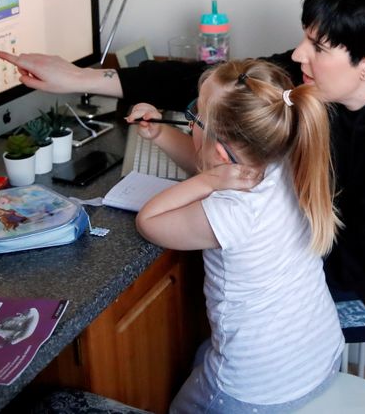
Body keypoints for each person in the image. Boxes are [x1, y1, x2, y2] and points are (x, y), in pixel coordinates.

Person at [0, 0, 365, 340]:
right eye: (306, 38)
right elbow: (224, 81)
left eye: (317, 47)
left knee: (243, 308)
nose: (299, 56)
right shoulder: (356, 77)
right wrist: (80, 77)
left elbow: (362, 265)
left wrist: (251, 239)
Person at [129, 58, 343, 412]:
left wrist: (209, 181)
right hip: (320, 354)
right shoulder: (285, 156)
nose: (189, 120)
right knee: (203, 353)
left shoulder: (234, 211)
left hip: (256, 389)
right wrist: (160, 133)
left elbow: (150, 221)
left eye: (193, 116)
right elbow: (209, 160)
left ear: (219, 149)